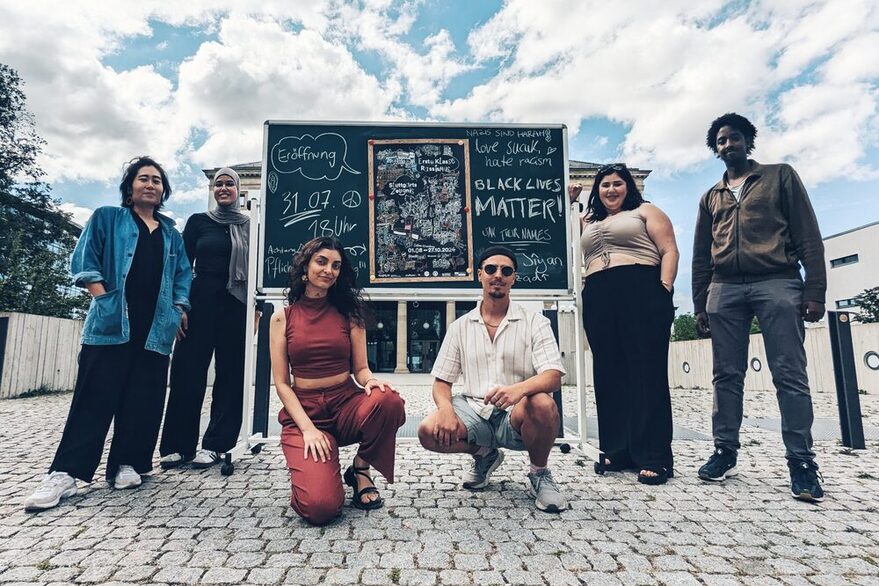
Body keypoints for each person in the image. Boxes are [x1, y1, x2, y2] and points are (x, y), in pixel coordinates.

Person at [23, 156, 191, 512]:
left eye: (157, 181)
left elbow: (182, 277)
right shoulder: (107, 218)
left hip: (154, 329)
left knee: (143, 399)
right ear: (129, 187)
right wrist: (105, 299)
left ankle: (127, 464)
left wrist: (178, 309)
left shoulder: (172, 234)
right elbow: (85, 261)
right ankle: (66, 473)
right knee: (94, 397)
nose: (150, 185)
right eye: (143, 178)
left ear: (163, 191)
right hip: (112, 324)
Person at [692, 112, 827, 502]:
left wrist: (814, 289)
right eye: (720, 141)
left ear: (747, 141)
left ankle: (801, 462)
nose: (727, 145)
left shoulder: (779, 176)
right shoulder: (711, 197)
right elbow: (702, 255)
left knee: (789, 373)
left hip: (778, 281)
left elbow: (808, 234)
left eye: (733, 138)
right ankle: (724, 451)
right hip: (725, 287)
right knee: (726, 375)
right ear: (714, 149)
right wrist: (701, 302)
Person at [417, 246, 568, 512]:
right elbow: (442, 381)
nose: (498, 275)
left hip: (516, 413)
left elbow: (553, 376)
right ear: (480, 275)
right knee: (428, 431)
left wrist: (518, 390)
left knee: (543, 403)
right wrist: (446, 410)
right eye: (491, 269)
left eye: (506, 270)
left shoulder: (534, 322)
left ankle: (539, 473)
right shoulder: (460, 326)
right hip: (474, 409)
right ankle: (485, 456)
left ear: (514, 279)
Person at [269, 236, 406, 525]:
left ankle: (359, 469)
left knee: (389, 400)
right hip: (305, 413)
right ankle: (316, 474)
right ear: (305, 267)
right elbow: (282, 382)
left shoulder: (350, 315)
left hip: (345, 403)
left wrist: (371, 382)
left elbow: (361, 369)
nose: (329, 270)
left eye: (336, 265)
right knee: (320, 509)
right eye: (321, 262)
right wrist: (308, 429)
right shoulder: (282, 318)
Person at [569, 163, 679, 485]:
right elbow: (561, 239)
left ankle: (654, 456)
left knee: (646, 373)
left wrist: (664, 288)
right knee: (608, 372)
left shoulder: (645, 211)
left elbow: (669, 249)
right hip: (600, 293)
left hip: (641, 286)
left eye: (617, 184)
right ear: (597, 190)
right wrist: (571, 203)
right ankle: (617, 450)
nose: (611, 190)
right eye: (604, 185)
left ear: (628, 186)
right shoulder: (588, 221)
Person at [160, 167, 253, 470]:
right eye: (218, 184)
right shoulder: (199, 222)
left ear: (238, 190)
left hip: (236, 305)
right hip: (198, 304)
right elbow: (182, 266)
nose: (223, 188)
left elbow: (257, 273)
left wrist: (258, 311)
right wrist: (179, 306)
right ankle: (177, 446)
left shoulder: (251, 225)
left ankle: (217, 444)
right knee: (187, 372)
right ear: (213, 190)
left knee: (231, 376)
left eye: (229, 184)